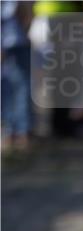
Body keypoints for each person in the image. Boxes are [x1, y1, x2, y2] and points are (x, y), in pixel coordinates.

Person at [1, 0, 33, 151]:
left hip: (14, 40)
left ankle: (17, 131)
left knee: (16, 87)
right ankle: (18, 131)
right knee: (17, 87)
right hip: (15, 40)